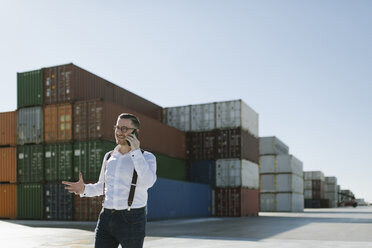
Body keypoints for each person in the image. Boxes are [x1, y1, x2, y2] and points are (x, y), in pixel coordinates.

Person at [62, 113, 157, 248]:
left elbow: (148, 182)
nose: (119, 132)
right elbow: (102, 186)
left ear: (136, 132)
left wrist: (135, 151)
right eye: (117, 127)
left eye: (124, 129)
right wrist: (84, 189)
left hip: (132, 218)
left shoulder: (147, 157)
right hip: (106, 217)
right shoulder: (109, 156)